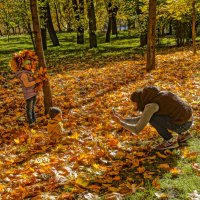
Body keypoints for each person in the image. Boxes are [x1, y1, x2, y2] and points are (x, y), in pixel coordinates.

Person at [113, 86, 193, 150]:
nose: (134, 106)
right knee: (153, 117)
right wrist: (124, 119)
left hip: (182, 125)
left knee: (153, 119)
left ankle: (170, 141)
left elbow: (137, 129)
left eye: (134, 103)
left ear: (139, 101)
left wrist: (120, 123)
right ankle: (184, 134)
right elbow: (144, 118)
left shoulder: (151, 106)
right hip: (189, 120)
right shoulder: (160, 95)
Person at [15, 59, 41, 127]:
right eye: (27, 64)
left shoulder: (30, 72)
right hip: (28, 94)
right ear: (23, 65)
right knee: (29, 108)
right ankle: (30, 121)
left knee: (32, 107)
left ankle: (34, 119)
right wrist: (35, 81)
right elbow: (26, 84)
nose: (29, 65)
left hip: (33, 92)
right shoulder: (23, 74)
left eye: (30, 64)